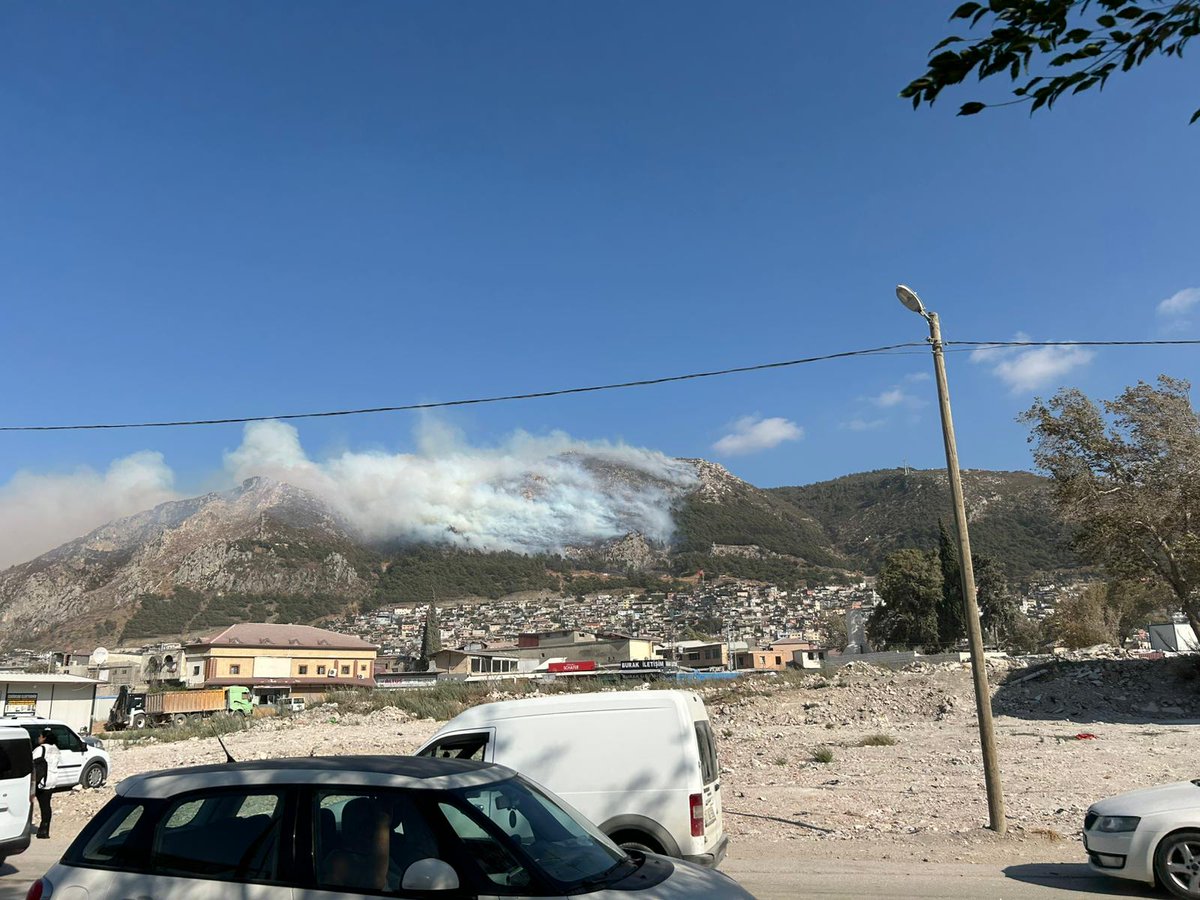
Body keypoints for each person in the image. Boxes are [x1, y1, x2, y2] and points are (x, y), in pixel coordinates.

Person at [31, 728, 59, 839]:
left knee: (30, 803)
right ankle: (44, 829)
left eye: (40, 736)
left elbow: (31, 762)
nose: (39, 738)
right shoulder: (55, 749)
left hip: (40, 781)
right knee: (46, 805)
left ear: (44, 738)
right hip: (51, 780)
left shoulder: (40, 749)